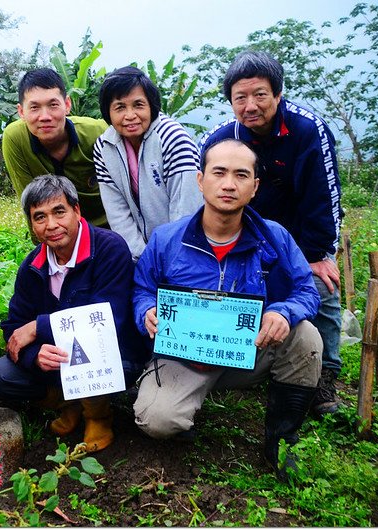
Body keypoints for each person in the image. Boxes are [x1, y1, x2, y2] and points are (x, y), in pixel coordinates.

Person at [132, 139, 322, 479]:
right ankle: (183, 407)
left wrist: (283, 311)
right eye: (219, 173)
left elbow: (306, 290)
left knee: (306, 337)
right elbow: (142, 288)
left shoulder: (275, 237)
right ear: (200, 180)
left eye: (241, 175)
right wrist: (146, 309)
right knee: (156, 421)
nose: (229, 184)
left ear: (255, 187)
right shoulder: (166, 240)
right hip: (185, 356)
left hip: (248, 351)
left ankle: (282, 439)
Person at [199, 50, 343, 415]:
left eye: (260, 94)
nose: (250, 106)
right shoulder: (223, 138)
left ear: (277, 95)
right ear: (230, 101)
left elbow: (323, 197)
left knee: (321, 288)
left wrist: (315, 255)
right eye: (240, 97)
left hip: (304, 230)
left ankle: (324, 374)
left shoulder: (307, 130)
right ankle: (241, 356)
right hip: (249, 233)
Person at [0, 175, 146, 453]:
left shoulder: (109, 248)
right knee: (0, 375)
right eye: (39, 217)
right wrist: (35, 356)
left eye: (59, 211)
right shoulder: (32, 267)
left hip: (114, 353)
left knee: (90, 354)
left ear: (77, 210)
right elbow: (13, 327)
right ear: (32, 224)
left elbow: (109, 318)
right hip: (58, 360)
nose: (51, 225)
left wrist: (39, 327)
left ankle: (98, 416)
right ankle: (68, 403)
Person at [94, 66, 203, 261]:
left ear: (151, 105)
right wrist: (143, 258)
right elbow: (117, 212)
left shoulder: (173, 138)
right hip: (141, 256)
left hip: (186, 251)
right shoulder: (104, 147)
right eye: (120, 107)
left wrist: (168, 259)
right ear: (107, 112)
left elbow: (185, 209)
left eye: (138, 105)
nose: (130, 115)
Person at [2, 68, 109, 231]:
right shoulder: (15, 138)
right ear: (21, 112)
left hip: (110, 230)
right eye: (34, 107)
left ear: (67, 105)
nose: (44, 116)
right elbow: (30, 205)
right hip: (56, 234)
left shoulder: (98, 132)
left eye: (53, 105)